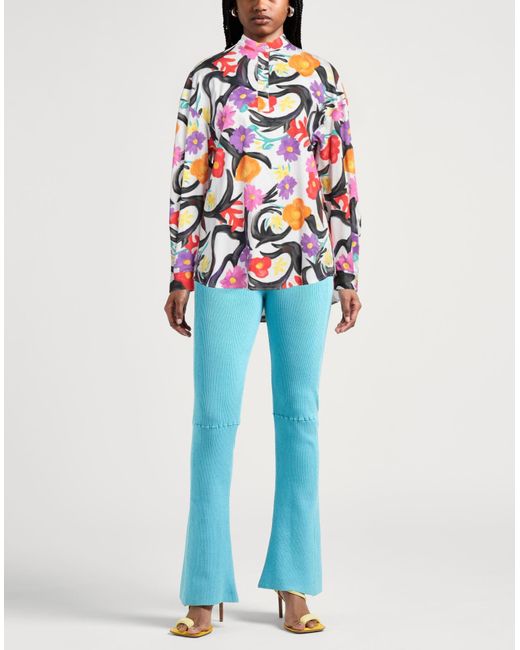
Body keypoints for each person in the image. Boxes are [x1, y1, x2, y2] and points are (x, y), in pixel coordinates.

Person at [164, 0, 362, 637]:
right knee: (213, 421)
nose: (259, 3)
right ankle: (203, 589)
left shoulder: (319, 75)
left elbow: (338, 175)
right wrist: (180, 271)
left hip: (306, 262)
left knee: (299, 419)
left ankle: (294, 583)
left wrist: (347, 270)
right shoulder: (207, 77)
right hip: (222, 263)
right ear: (231, 4)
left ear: (291, 4)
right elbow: (188, 177)